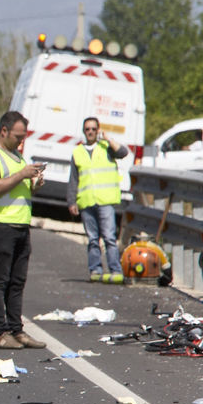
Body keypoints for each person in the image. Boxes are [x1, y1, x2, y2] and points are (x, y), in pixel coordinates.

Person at [0, 111, 47, 350]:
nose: (21, 141)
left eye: (23, 137)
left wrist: (33, 183)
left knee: (17, 281)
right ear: (3, 131)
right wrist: (22, 174)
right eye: (17, 136)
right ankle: (1, 332)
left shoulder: (16, 155)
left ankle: (17, 331)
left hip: (19, 226)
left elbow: (19, 189)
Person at [67, 117, 128, 283]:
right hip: (87, 201)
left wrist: (107, 138)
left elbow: (123, 153)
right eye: (87, 129)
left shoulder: (106, 147)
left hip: (105, 200)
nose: (91, 132)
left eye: (94, 129)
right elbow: (74, 179)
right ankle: (95, 270)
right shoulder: (78, 152)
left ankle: (115, 270)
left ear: (98, 130)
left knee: (109, 237)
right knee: (93, 239)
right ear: (83, 131)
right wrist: (71, 201)